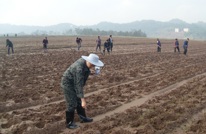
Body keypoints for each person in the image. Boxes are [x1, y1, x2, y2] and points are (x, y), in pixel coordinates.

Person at [61, 53, 104, 129]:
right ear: (89, 62)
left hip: (75, 82)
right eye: (93, 65)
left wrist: (93, 72)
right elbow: (78, 85)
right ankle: (69, 123)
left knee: (78, 101)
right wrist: (83, 100)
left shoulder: (86, 63)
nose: (93, 66)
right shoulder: (79, 68)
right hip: (68, 83)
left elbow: (86, 71)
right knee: (72, 102)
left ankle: (83, 118)